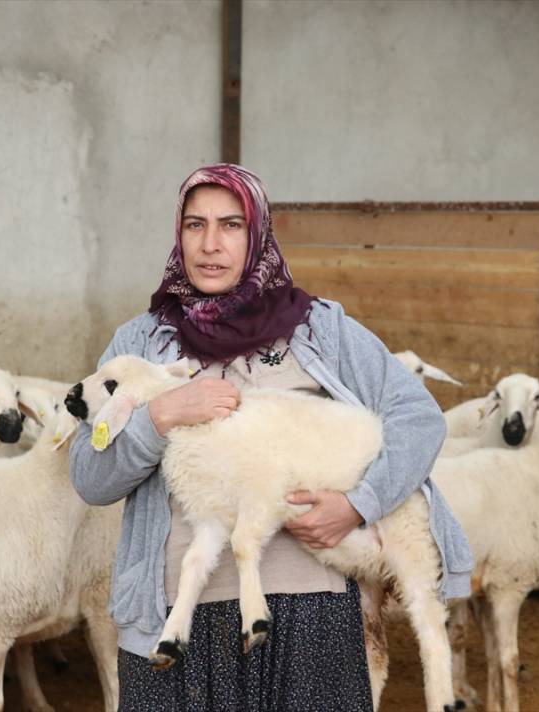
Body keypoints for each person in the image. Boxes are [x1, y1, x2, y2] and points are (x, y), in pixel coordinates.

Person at [70, 164, 471, 711]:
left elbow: (418, 417)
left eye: (231, 225)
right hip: (174, 618)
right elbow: (90, 477)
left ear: (257, 234)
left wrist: (359, 504)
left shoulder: (319, 330)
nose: (210, 244)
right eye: (195, 225)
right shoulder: (141, 343)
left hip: (312, 616)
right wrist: (160, 416)